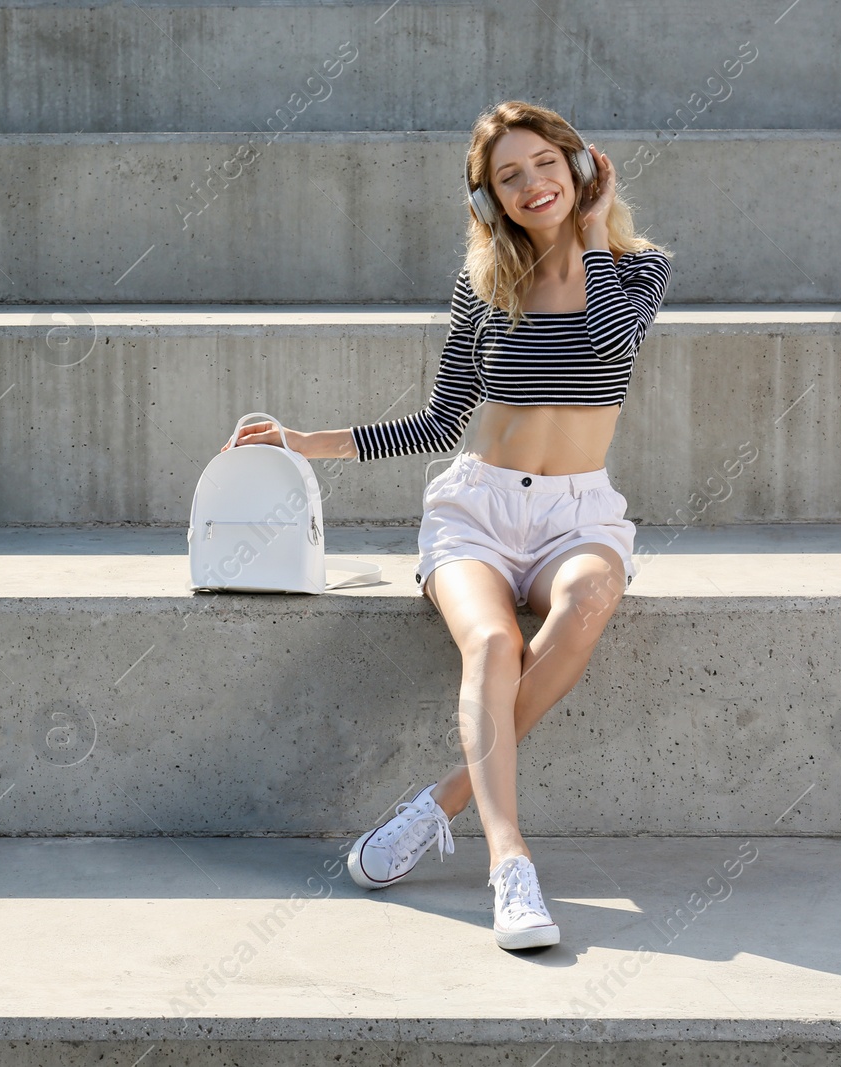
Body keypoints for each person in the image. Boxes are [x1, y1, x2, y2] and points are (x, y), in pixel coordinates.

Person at [222, 100, 672, 950]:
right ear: (486, 201)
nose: (531, 184)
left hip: (579, 514)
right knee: (495, 646)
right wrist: (305, 442)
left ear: (576, 167)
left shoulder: (638, 269)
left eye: (545, 164)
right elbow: (439, 423)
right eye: (509, 176)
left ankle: (440, 804)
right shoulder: (484, 284)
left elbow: (611, 346)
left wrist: (594, 225)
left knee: (583, 607)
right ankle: (510, 864)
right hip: (480, 509)